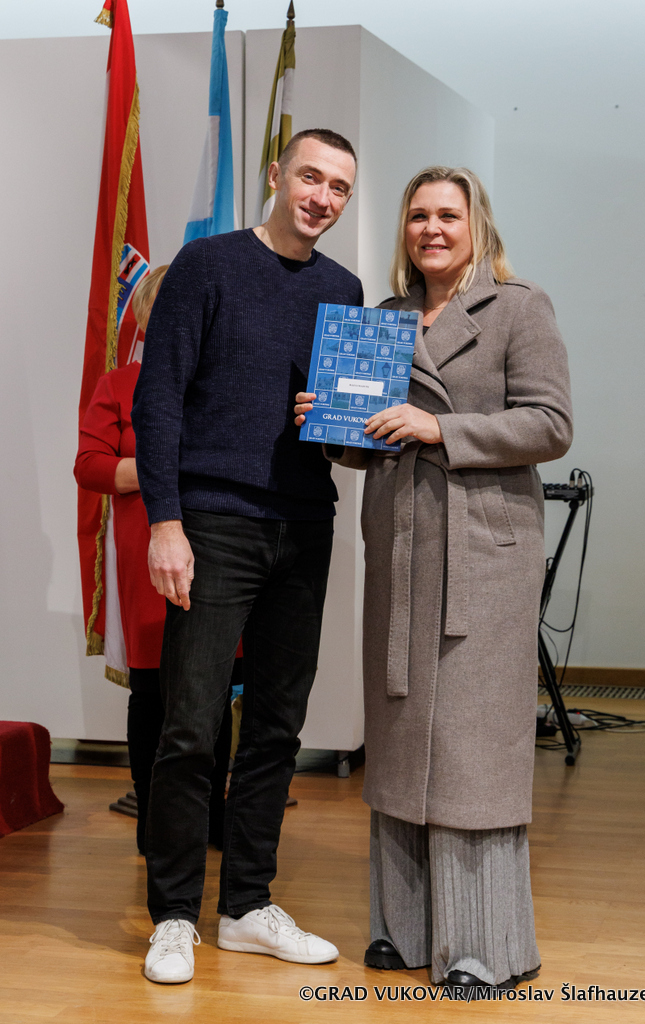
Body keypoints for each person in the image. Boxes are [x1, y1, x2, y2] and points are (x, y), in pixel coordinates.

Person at [295, 166, 572, 996]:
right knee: (400, 736)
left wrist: (439, 425)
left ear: (475, 224)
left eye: (447, 215)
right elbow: (372, 440)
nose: (431, 229)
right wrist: (330, 426)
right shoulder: (381, 319)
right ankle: (403, 928)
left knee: (470, 748)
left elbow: (550, 424)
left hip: (482, 556)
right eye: (418, 215)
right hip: (402, 549)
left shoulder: (518, 307)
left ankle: (484, 944)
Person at [131, 128, 363, 984]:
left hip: (305, 525)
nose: (321, 197)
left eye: (338, 188)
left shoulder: (344, 289)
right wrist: (165, 522)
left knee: (275, 728)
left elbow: (345, 435)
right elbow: (158, 399)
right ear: (276, 174)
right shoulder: (207, 265)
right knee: (190, 727)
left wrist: (336, 423)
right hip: (213, 523)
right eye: (310, 177)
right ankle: (173, 917)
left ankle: (245, 908)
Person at [74, 267, 237, 855]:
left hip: (221, 549)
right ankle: (154, 822)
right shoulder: (119, 384)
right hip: (149, 553)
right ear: (145, 315)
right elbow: (89, 466)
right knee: (152, 692)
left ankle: (211, 820)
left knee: (214, 691)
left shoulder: (224, 382)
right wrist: (160, 468)